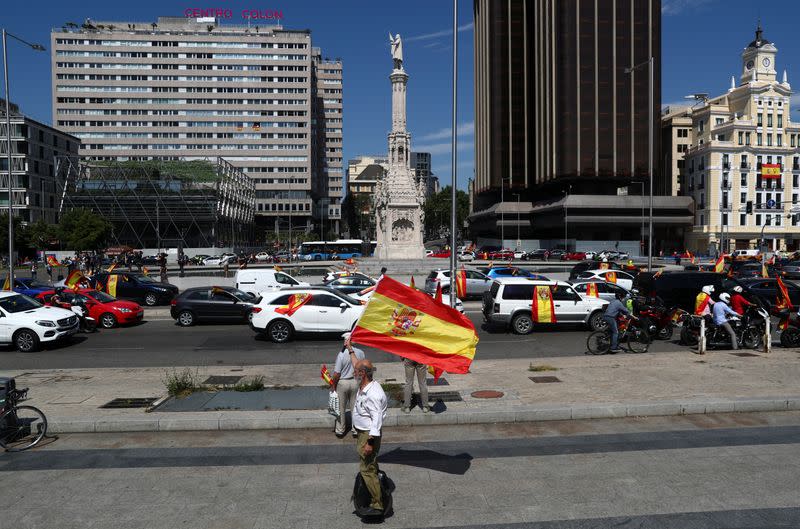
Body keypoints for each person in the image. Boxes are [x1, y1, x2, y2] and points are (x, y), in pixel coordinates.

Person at [350, 357, 387, 517]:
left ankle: (377, 504)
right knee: (370, 463)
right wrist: (350, 348)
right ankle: (375, 484)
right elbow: (357, 364)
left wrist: (370, 442)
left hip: (368, 435)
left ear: (363, 373)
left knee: (366, 469)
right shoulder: (366, 384)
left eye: (356, 371)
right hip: (362, 432)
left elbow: (376, 420)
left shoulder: (372, 394)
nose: (353, 372)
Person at [332, 333, 366, 438]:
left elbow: (337, 373)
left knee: (340, 408)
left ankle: (340, 430)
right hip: (356, 382)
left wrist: (333, 385)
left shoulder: (341, 354)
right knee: (355, 408)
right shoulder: (360, 352)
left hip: (342, 383)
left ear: (346, 342)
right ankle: (355, 429)